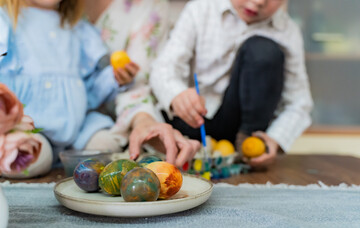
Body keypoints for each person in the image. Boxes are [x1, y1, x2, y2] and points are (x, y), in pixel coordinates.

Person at [150, 0, 313, 168]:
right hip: (192, 120)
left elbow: (300, 102)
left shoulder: (288, 32)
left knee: (264, 51)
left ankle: (247, 151)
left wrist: (275, 139)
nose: (258, 2)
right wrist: (176, 94)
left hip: (241, 132)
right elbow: (164, 67)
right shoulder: (200, 9)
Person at [0, 0, 133, 178]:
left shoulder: (77, 27)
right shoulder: (6, 20)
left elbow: (90, 91)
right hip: (32, 127)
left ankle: (79, 169)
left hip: (78, 128)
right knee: (28, 157)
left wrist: (115, 78)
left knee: (107, 145)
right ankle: (45, 158)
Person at [84, 0, 200, 167]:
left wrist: (144, 121)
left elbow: (137, 85)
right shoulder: (47, 8)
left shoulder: (150, 6)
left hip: (103, 129)